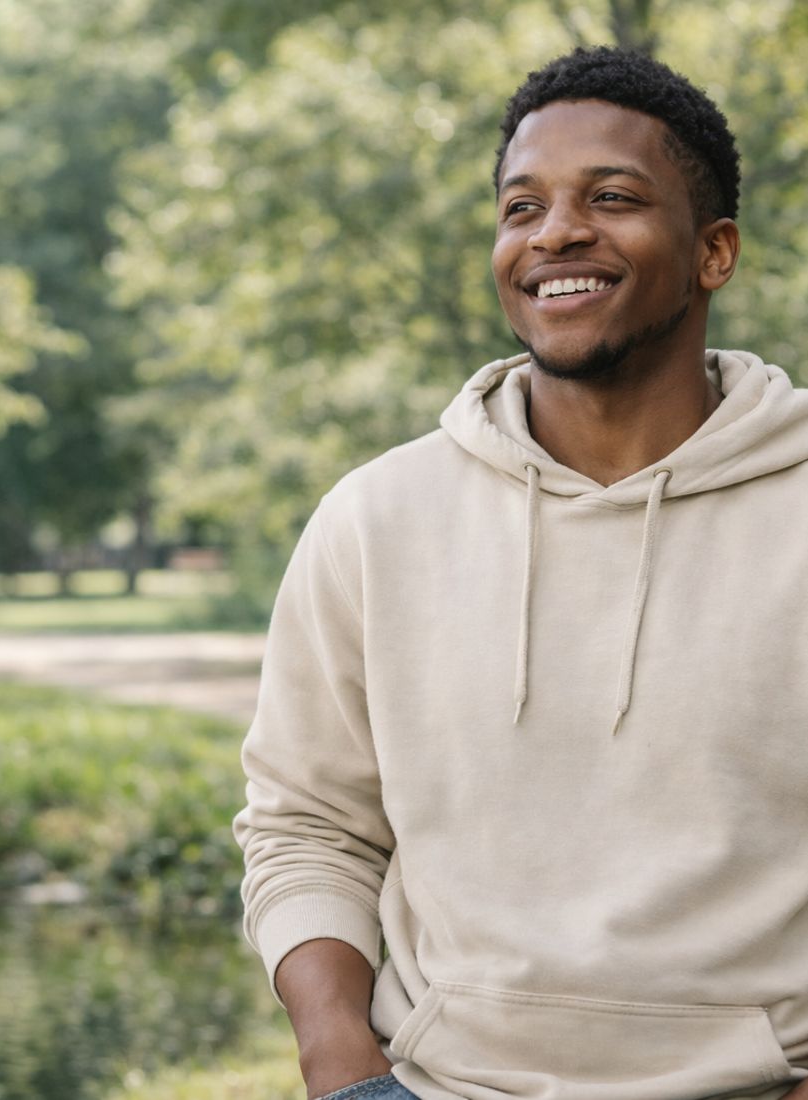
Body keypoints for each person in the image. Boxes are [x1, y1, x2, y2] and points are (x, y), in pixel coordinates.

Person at [234, 45, 808, 1100]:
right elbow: (307, 824)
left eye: (612, 197)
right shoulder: (376, 517)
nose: (554, 234)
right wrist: (341, 1063)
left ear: (714, 251)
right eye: (521, 207)